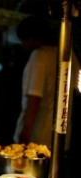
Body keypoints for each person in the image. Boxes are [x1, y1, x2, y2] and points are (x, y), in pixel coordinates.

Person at [13, 15, 78, 148]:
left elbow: (34, 97)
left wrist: (25, 131)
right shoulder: (72, 56)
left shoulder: (40, 56)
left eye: (23, 41)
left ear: (30, 39)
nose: (23, 46)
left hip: (37, 138)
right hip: (61, 139)